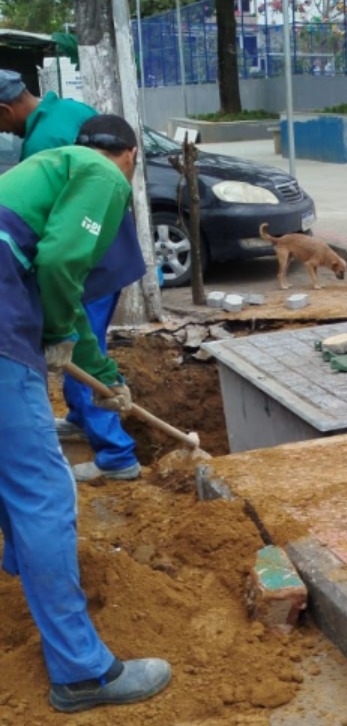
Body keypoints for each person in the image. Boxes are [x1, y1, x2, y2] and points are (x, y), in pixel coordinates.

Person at [0, 114, 171, 712]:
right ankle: (81, 673)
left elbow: (66, 297)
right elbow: (63, 263)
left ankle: (17, 569)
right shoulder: (104, 172)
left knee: (9, 468)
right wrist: (49, 335)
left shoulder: (43, 171)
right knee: (43, 491)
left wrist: (104, 378)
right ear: (129, 157)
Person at [0, 69, 146, 481]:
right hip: (81, 263)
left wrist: (59, 333)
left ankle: (117, 455)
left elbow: (59, 259)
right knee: (73, 342)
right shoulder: (72, 111)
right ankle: (88, 419)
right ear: (131, 152)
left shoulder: (57, 148)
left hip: (79, 267)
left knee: (71, 341)